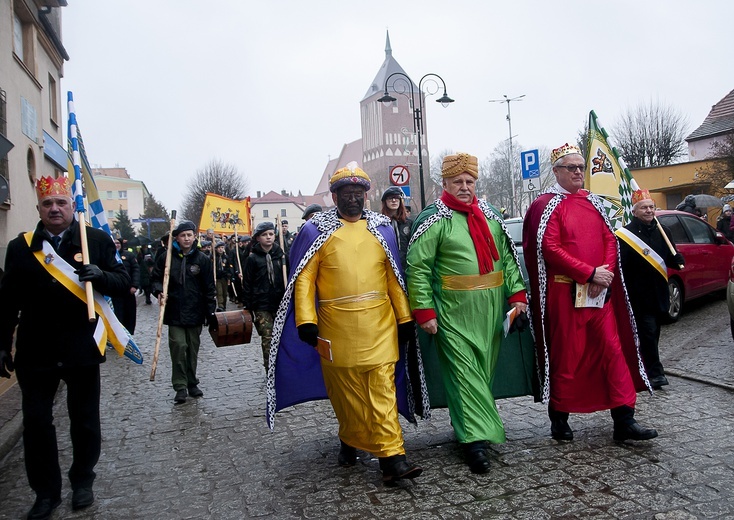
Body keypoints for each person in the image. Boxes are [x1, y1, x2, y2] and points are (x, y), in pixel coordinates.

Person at [266, 162, 429, 485]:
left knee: (383, 390)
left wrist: (405, 317)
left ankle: (393, 458)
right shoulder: (316, 231)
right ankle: (350, 437)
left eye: (358, 194)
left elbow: (394, 277)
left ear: (366, 196)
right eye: (347, 194)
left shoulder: (383, 228)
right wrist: (306, 321)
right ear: (335, 197)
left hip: (380, 324)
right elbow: (304, 281)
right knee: (348, 394)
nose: (353, 200)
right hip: (335, 327)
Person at [0, 176, 131, 518]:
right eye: (48, 204)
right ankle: (46, 492)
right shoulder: (22, 247)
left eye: (61, 203)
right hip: (36, 351)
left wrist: (100, 276)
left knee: (84, 420)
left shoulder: (95, 241)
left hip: (81, 348)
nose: (55, 209)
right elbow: (7, 302)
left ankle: (82, 479)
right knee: (37, 422)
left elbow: (123, 283)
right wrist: (3, 344)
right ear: (39, 209)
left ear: (72, 207)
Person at [523, 143, 658, 443]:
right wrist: (587, 272)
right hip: (565, 294)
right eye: (570, 167)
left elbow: (610, 239)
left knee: (612, 352)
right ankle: (560, 418)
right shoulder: (545, 205)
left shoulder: (594, 203)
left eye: (580, 167)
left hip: (599, 295)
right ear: (556, 171)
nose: (577, 172)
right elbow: (550, 248)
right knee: (567, 356)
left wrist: (603, 274)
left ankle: (625, 418)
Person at [406, 153, 528, 474]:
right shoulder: (434, 220)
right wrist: (424, 311)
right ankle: (474, 442)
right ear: (444, 184)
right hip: (452, 312)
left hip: (491, 310)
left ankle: (469, 427)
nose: (464, 187)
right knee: (464, 376)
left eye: (469, 181)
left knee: (482, 373)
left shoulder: (489, 216)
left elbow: (508, 258)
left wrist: (518, 298)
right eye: (457, 182)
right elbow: (418, 269)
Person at [618, 189, 684, 389]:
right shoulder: (626, 235)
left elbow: (669, 256)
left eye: (651, 207)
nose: (649, 211)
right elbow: (622, 266)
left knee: (653, 334)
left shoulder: (663, 231)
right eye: (644, 208)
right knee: (647, 332)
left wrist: (677, 259)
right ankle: (655, 373)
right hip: (638, 294)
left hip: (659, 292)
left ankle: (644, 368)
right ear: (635, 211)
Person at [151, 220, 217, 404]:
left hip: (195, 310)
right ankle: (180, 386)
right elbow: (155, 278)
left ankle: (192, 382)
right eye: (183, 235)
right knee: (179, 347)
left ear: (194, 237)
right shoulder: (166, 257)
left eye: (190, 235)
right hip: (174, 311)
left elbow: (209, 288)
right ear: (177, 238)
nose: (187, 238)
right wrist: (158, 291)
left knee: (192, 349)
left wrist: (210, 312)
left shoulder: (202, 259)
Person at [241, 222, 288, 371]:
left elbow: (290, 277)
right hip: (261, 304)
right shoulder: (253, 259)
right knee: (268, 337)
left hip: (281, 302)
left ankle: (284, 368)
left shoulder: (281, 256)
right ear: (258, 238)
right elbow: (247, 283)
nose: (268, 237)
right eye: (264, 235)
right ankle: (270, 369)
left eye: (270, 234)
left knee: (282, 337)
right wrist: (249, 305)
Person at [111, 238, 140, 333]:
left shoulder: (129, 255)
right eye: (114, 243)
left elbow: (136, 270)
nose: (116, 245)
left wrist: (134, 285)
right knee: (117, 314)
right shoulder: (109, 255)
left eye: (117, 243)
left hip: (128, 290)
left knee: (129, 314)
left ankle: (129, 333)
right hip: (114, 291)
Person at [380, 186, 413, 268]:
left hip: (406, 266)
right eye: (390, 198)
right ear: (385, 202)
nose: (394, 200)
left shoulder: (408, 223)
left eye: (396, 198)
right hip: (387, 266)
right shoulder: (380, 224)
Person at [213, 240, 232, 310]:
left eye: (222, 247)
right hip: (217, 278)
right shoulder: (214, 258)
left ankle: (224, 306)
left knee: (224, 293)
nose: (220, 249)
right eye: (219, 247)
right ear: (216, 249)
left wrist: (229, 275)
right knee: (219, 292)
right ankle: (220, 305)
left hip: (225, 277)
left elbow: (229, 267)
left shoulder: (226, 257)